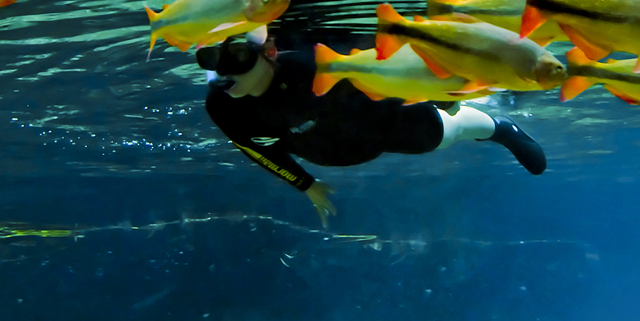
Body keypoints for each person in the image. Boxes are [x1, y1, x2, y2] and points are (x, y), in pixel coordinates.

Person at [198, 33, 547, 227]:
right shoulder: (221, 105)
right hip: (328, 149)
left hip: (379, 121)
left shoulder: (311, 66)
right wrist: (306, 185)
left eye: (238, 55)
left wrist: (436, 95)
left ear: (270, 52)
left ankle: (501, 127)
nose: (223, 72)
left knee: (441, 134)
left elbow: (382, 70)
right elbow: (255, 148)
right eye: (210, 59)